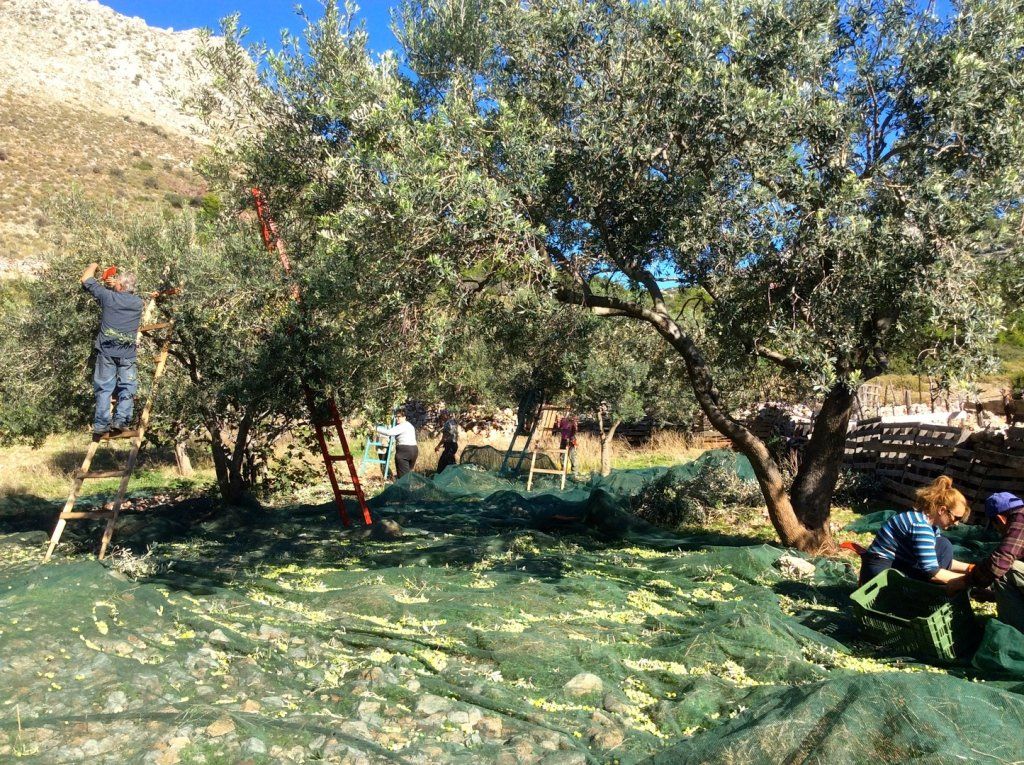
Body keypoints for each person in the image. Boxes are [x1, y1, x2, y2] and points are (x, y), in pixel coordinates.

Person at [859, 475, 971, 585]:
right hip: (881, 573)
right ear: (942, 510)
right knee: (944, 545)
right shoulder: (921, 526)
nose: (956, 523)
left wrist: (970, 568)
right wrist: (969, 579)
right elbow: (933, 572)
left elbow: (934, 558)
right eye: (956, 517)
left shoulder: (929, 526)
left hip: (893, 565)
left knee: (942, 545)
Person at [80, 262, 144, 437]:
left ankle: (101, 425)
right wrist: (114, 285)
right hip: (128, 354)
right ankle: (121, 421)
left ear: (120, 286)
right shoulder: (138, 302)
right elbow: (122, 294)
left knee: (104, 388)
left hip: (107, 352)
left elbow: (86, 279)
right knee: (128, 387)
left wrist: (94, 264)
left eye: (117, 282)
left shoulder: (108, 298)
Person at [951, 492, 1024, 633]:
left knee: (1006, 569)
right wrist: (996, 596)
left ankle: (1015, 636)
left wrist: (963, 582)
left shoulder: (1020, 521)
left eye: (995, 526)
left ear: (1000, 519)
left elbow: (999, 564)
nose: (998, 532)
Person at [376, 409, 418, 479]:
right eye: (396, 417)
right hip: (414, 451)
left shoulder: (402, 426)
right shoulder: (409, 425)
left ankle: (403, 489)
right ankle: (408, 488)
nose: (397, 418)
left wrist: (376, 428)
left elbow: (388, 432)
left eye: (399, 417)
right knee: (408, 474)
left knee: (403, 478)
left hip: (404, 451)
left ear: (404, 417)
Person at [557, 411, 579, 476]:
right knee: (562, 456)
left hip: (571, 440)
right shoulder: (562, 421)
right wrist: (559, 421)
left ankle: (574, 473)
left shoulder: (573, 422)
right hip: (563, 440)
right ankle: (563, 471)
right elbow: (559, 427)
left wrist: (570, 439)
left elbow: (575, 430)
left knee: (572, 456)